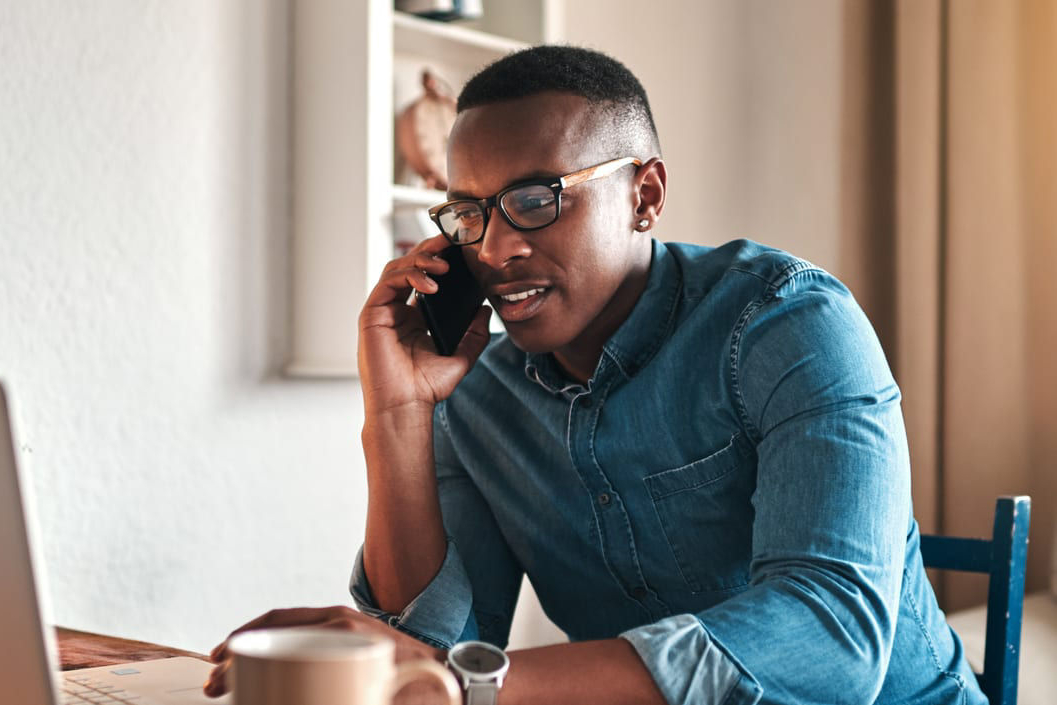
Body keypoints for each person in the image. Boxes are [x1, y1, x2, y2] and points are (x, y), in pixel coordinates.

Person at [205, 46, 985, 705]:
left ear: (644, 196)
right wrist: (399, 416)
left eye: (536, 200)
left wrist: (455, 680)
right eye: (469, 213)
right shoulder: (479, 392)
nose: (496, 248)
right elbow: (430, 659)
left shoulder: (788, 324)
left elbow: (832, 637)